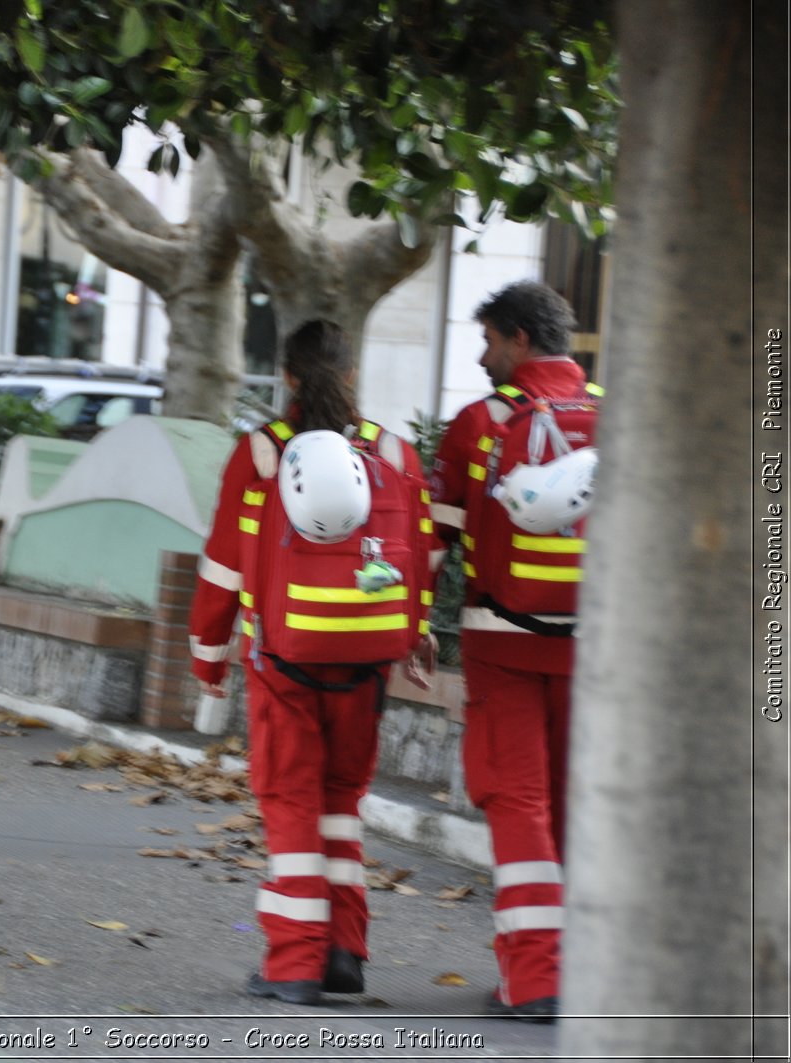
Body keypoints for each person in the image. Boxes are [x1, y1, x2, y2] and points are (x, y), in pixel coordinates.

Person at [187, 320, 435, 1005]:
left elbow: (221, 565)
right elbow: (420, 556)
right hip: (367, 662)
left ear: (288, 377)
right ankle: (346, 951)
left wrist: (207, 655)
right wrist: (414, 632)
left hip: (283, 664)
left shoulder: (262, 454)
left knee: (291, 801)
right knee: (340, 804)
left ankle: (294, 961)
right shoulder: (394, 451)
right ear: (351, 374)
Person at [427, 281, 599, 1023]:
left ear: (520, 339)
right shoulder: (620, 416)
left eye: (491, 340)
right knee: (574, 805)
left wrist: (408, 621)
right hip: (598, 649)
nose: (481, 354)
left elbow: (433, 541)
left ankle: (535, 977)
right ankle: (587, 972)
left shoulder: (479, 425)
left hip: (505, 644)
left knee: (519, 800)